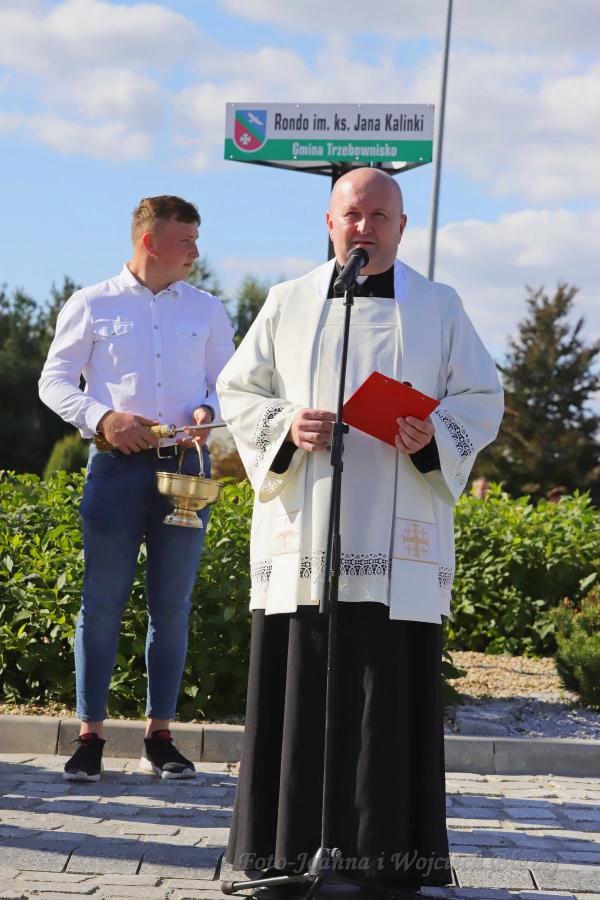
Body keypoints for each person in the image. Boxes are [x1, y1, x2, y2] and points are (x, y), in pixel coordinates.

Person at [216, 168, 504, 898]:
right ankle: (284, 853)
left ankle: (386, 861)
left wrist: (433, 432)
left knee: (386, 695)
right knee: (301, 687)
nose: (364, 227)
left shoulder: (439, 306)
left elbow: (483, 396)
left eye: (380, 216)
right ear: (330, 222)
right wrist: (287, 424)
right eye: (352, 214)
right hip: (308, 532)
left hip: (398, 540)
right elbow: (238, 389)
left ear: (402, 228)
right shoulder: (287, 301)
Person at [39, 195, 234, 782]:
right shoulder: (91, 303)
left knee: (171, 607)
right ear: (151, 242)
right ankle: (90, 737)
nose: (196, 250)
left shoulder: (208, 309)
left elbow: (229, 385)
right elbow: (53, 381)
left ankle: (160, 737)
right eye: (186, 240)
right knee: (101, 604)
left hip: (187, 471)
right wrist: (103, 418)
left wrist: (207, 410)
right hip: (115, 469)